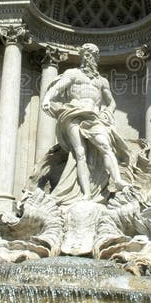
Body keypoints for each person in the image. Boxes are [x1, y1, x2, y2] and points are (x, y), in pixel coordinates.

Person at [42, 44, 127, 200]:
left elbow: (112, 102)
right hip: (73, 113)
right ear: (81, 57)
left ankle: (118, 180)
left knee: (106, 146)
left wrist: (107, 112)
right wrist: (47, 99)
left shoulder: (102, 81)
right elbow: (56, 89)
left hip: (94, 116)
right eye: (86, 55)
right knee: (79, 153)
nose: (89, 58)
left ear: (96, 58)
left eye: (92, 55)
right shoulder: (73, 74)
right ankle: (86, 193)